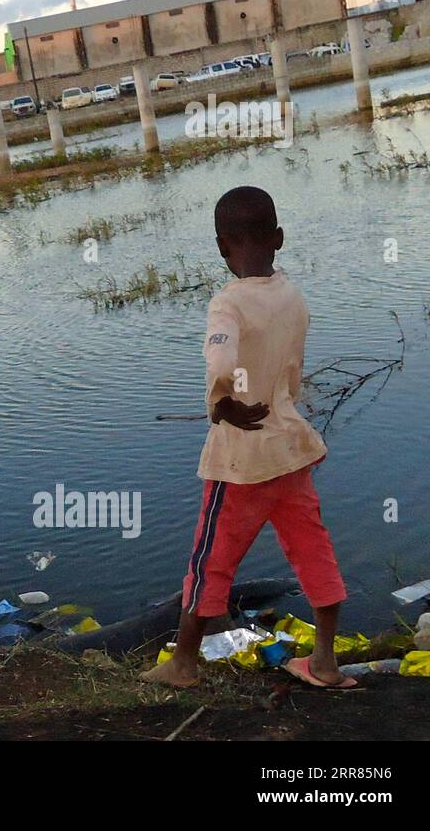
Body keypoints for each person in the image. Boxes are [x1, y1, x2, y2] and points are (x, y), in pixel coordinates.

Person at [142, 185, 351, 689]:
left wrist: (224, 400)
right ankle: (324, 661)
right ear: (278, 238)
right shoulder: (291, 296)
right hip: (291, 449)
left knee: (210, 561)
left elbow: (220, 359)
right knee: (313, 550)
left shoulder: (228, 303)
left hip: (242, 461)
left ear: (221, 247)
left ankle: (184, 665)